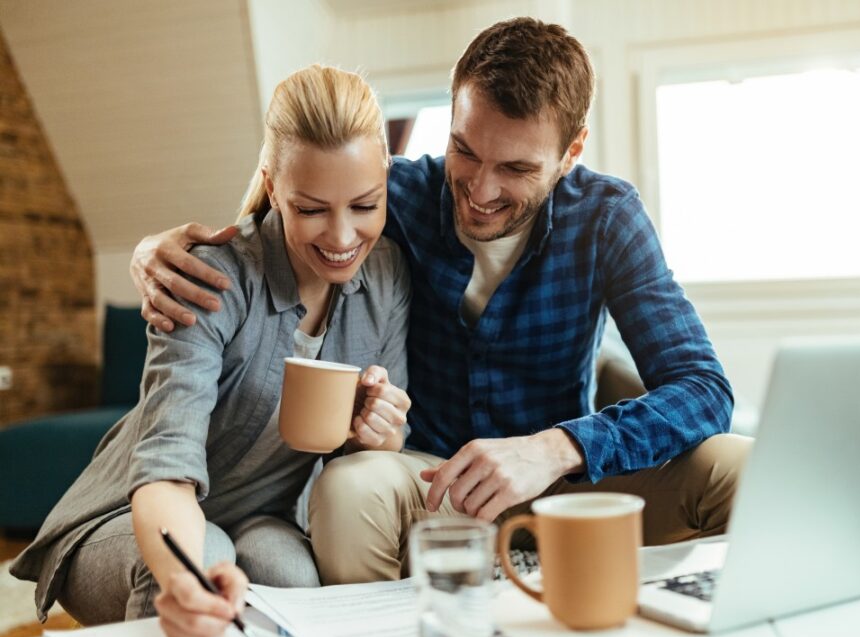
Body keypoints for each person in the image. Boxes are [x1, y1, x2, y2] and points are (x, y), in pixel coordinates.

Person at [129, 18, 751, 585]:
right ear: (451, 115)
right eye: (466, 150)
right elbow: (291, 205)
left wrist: (555, 448)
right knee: (349, 489)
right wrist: (152, 248)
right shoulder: (388, 197)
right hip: (431, 483)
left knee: (739, 467)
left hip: (566, 483)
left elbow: (703, 388)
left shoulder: (608, 218)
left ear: (571, 153)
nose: (479, 190)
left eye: (515, 167)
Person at [11, 65, 411, 637]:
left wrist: (379, 431)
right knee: (200, 559)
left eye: (364, 205)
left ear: (385, 181)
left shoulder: (387, 277)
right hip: (131, 513)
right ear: (273, 185)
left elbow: (377, 443)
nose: (343, 235)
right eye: (312, 210)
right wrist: (183, 580)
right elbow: (164, 474)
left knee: (292, 578)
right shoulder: (208, 278)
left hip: (263, 515)